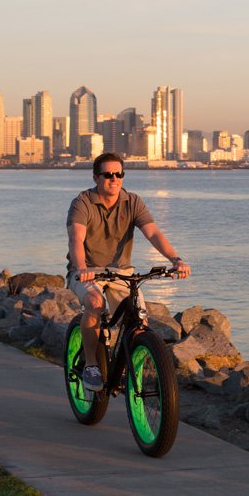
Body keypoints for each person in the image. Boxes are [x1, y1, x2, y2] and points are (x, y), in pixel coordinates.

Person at [66, 152, 191, 392]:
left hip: (121, 272)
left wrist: (176, 259)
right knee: (94, 303)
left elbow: (153, 233)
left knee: (139, 319)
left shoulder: (132, 202)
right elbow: (76, 239)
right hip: (86, 271)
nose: (114, 179)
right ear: (96, 177)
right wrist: (82, 268)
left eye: (119, 174)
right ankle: (92, 364)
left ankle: (125, 367)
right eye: (108, 174)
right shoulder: (82, 202)